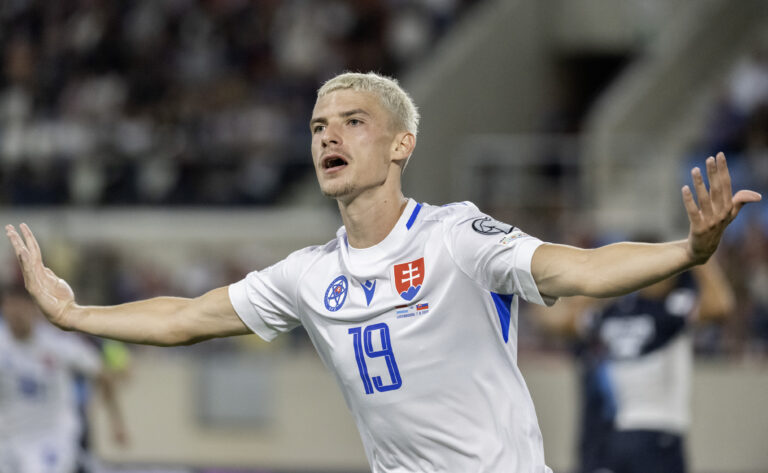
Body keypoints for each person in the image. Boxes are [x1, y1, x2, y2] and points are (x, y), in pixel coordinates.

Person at [4, 72, 762, 473]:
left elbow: (580, 269)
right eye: (317, 127)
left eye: (352, 122)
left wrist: (686, 253)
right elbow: (184, 317)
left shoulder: (455, 236)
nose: (327, 135)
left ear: (401, 146)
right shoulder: (307, 275)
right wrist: (79, 316)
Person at [534, 253, 734, 473]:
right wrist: (699, 254)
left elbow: (556, 321)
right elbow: (721, 305)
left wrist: (597, 282)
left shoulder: (613, 313)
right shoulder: (670, 309)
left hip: (620, 437)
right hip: (660, 432)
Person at [0, 285, 127, 473]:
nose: (16, 313)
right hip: (9, 437)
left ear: (34, 309)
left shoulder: (58, 344)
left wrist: (116, 423)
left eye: (21, 306)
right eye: (10, 305)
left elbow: (103, 375)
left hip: (52, 437)